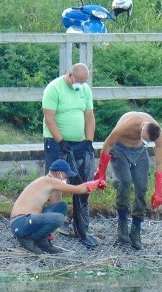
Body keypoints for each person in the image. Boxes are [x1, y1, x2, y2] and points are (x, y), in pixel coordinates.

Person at [42, 63, 99, 248]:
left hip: (79, 142)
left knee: (80, 179)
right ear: (70, 74)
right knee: (56, 181)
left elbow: (89, 116)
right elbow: (49, 119)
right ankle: (58, 219)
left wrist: (89, 141)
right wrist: (60, 141)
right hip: (56, 141)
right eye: (78, 81)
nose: (80, 85)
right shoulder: (54, 89)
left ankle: (80, 224)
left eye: (84, 82)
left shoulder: (85, 90)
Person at [93, 111, 162, 250]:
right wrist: (101, 172)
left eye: (148, 142)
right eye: (144, 138)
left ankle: (136, 228)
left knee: (142, 187)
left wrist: (159, 191)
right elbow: (108, 144)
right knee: (125, 182)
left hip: (139, 152)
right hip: (120, 149)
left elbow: (159, 163)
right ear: (141, 128)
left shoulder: (158, 134)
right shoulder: (126, 124)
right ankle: (122, 223)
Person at [10, 159, 105, 255]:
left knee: (61, 206)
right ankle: (32, 239)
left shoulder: (49, 183)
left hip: (28, 220)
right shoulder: (50, 181)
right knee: (58, 219)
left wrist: (48, 230)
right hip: (20, 223)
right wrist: (97, 182)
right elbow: (79, 189)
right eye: (65, 175)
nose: (66, 178)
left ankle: (43, 239)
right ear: (58, 173)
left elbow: (56, 204)